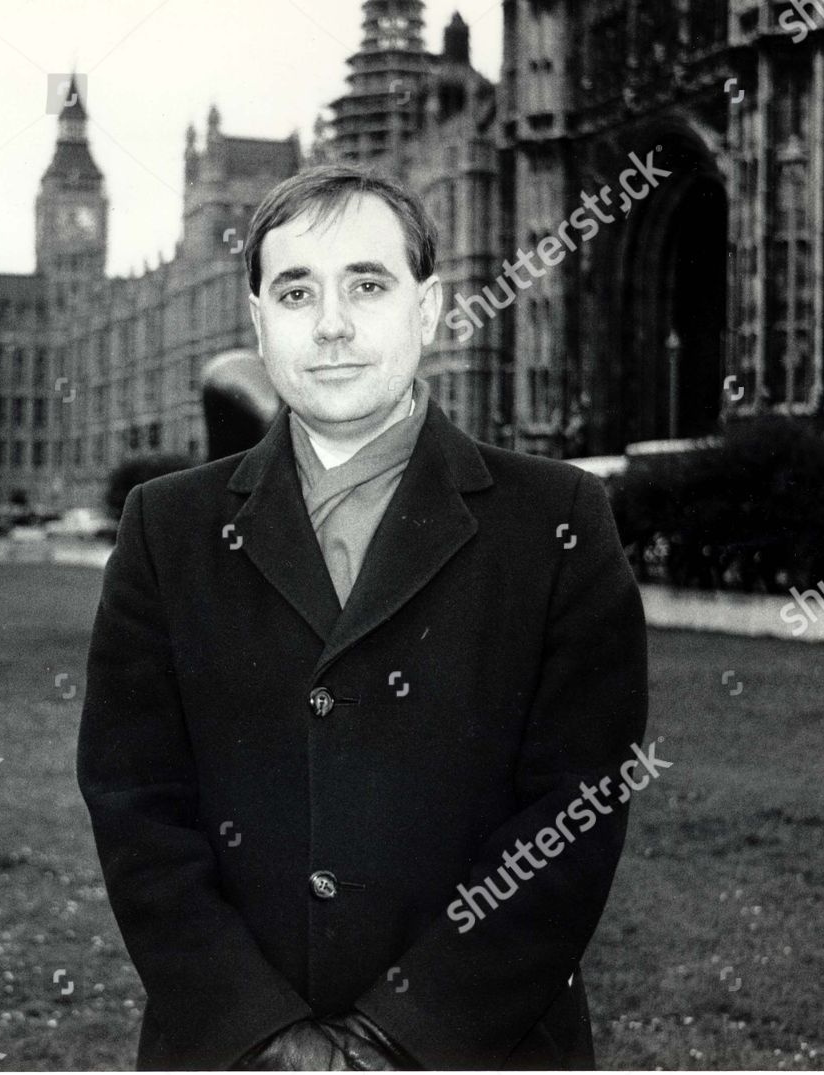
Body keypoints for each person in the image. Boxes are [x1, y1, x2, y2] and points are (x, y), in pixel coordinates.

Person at [76, 164, 649, 1070]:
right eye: (296, 291)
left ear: (427, 310)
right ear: (259, 323)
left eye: (368, 285)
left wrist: (397, 1038)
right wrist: (264, 1033)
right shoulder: (167, 528)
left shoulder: (557, 520)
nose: (332, 324)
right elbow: (137, 808)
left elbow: (573, 815)